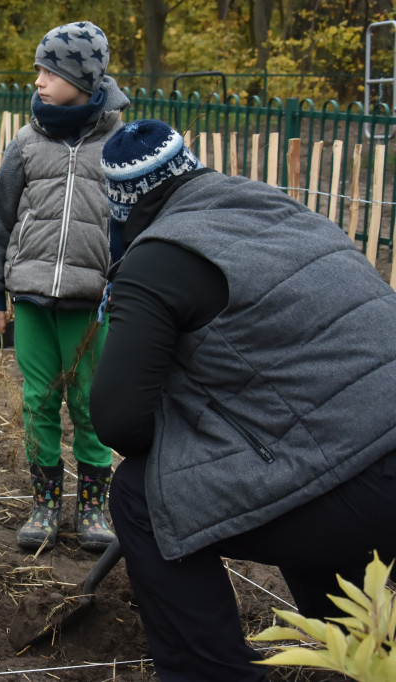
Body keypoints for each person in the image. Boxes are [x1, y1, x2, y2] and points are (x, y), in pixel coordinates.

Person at [91, 118, 396, 681]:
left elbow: (118, 422)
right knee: (285, 467)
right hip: (368, 436)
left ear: (125, 207)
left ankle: (212, 672)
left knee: (141, 495)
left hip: (359, 478)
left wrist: (192, 424)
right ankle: (367, 653)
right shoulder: (276, 207)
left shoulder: (156, 258)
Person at [0, 21, 129, 554]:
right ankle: (44, 504)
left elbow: (137, 225)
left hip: (93, 304)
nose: (37, 80)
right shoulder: (25, 144)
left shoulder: (117, 146)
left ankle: (92, 508)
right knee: (38, 400)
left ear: (82, 77)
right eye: (38, 69)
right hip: (33, 299)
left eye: (49, 71)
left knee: (89, 403)